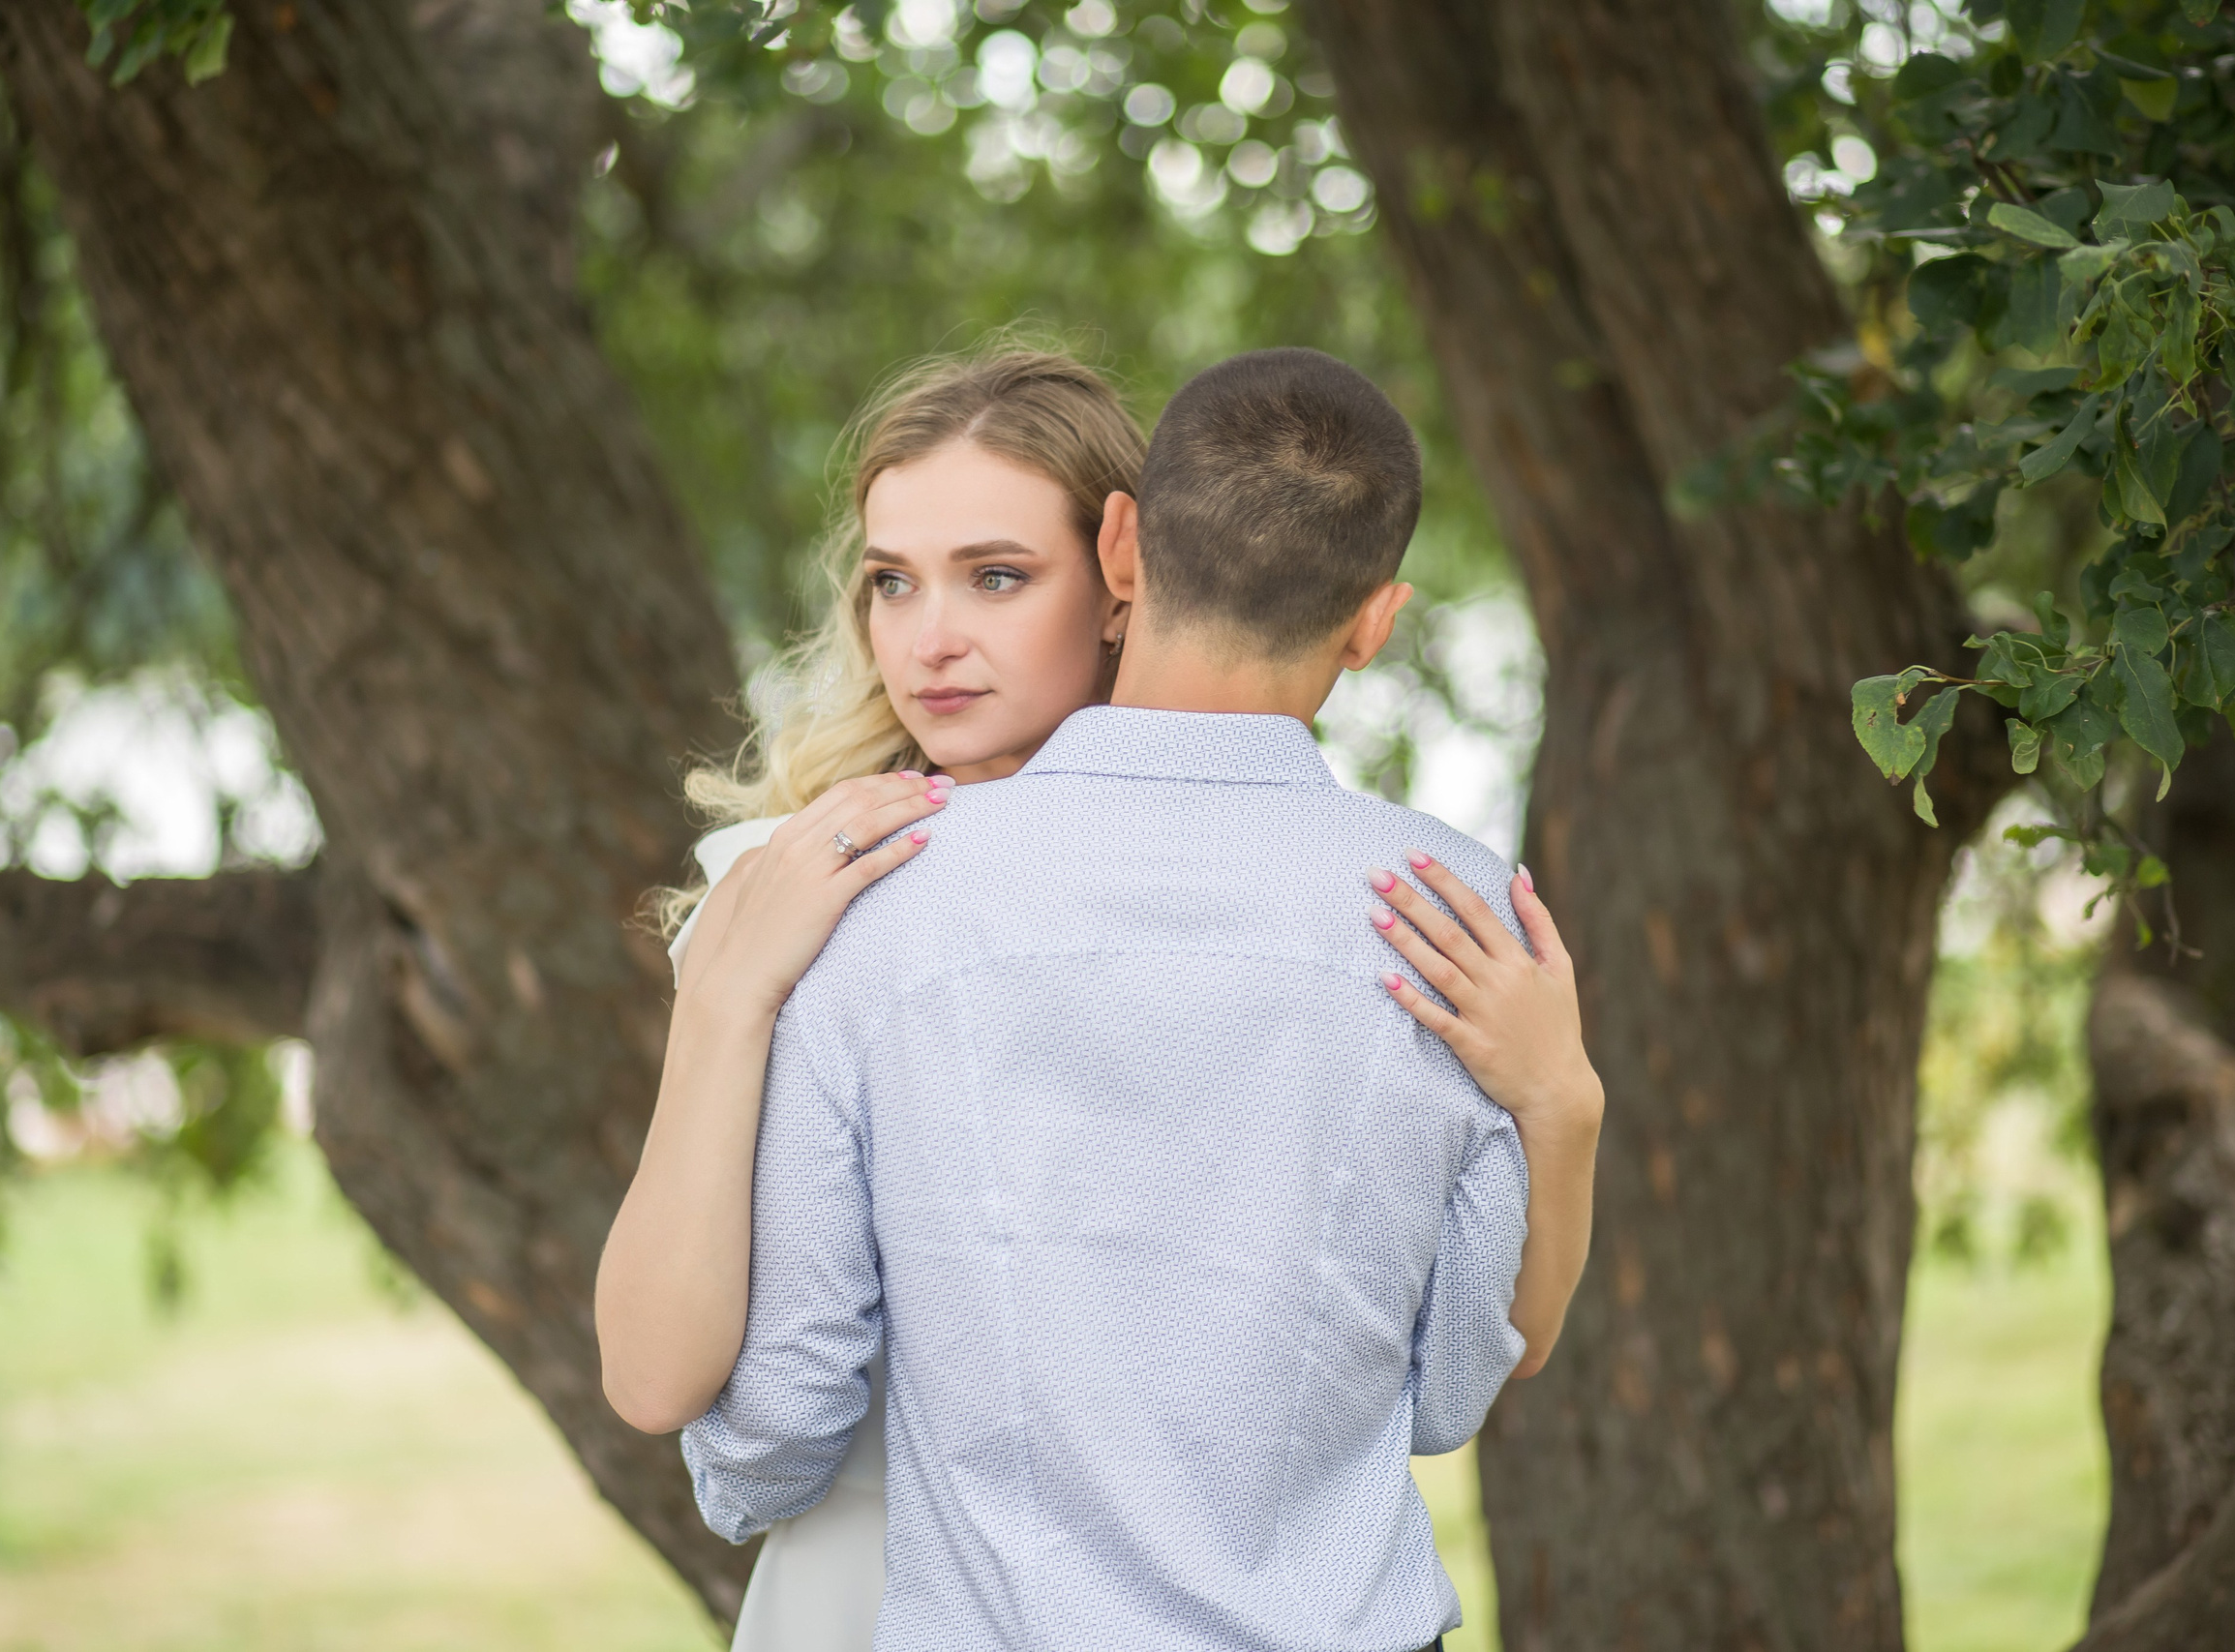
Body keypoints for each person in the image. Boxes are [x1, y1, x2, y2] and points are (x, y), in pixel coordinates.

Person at [596, 345, 1603, 1651]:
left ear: (1125, 565)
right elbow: (664, 1377)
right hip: (865, 1586)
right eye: (891, 583)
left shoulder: (1335, 915)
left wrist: (1562, 1104)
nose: (932, 640)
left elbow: (760, 1438)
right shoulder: (794, 896)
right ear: (1370, 619)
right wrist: (726, 998)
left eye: (998, 577)